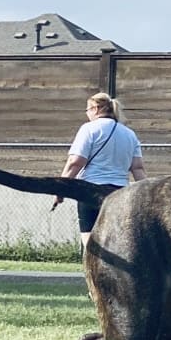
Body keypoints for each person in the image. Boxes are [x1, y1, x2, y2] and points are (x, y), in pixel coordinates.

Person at [55, 92, 147, 249]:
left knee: (91, 243)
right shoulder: (129, 134)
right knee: (117, 241)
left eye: (87, 110)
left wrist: (60, 188)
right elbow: (137, 168)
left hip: (91, 189)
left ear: (96, 109)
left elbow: (75, 162)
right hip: (120, 193)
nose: (87, 114)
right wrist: (146, 194)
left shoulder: (89, 129)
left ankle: (92, 270)